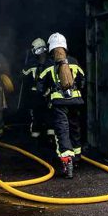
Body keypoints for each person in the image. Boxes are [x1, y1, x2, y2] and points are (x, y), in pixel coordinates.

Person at [37, 32, 85, 179]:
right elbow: (83, 80)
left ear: (51, 49)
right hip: (76, 102)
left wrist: (47, 95)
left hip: (59, 104)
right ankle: (77, 157)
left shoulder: (48, 65)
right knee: (74, 128)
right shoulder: (74, 62)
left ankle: (67, 161)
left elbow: (40, 86)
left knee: (62, 131)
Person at [21, 38, 52, 139]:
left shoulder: (31, 63)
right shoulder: (50, 62)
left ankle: (41, 133)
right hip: (43, 94)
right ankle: (46, 133)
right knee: (45, 113)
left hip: (41, 93)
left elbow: (24, 78)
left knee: (41, 113)